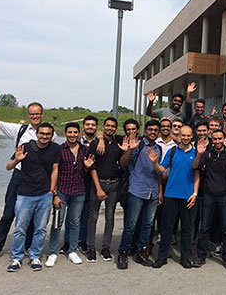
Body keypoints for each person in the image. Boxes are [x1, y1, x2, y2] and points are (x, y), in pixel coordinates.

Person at [0, 91, 57, 263]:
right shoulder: (19, 130)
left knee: (33, 217)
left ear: (42, 114)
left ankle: (27, 248)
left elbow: (56, 159)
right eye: (32, 114)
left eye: (38, 113)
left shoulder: (50, 133)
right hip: (19, 176)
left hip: (41, 179)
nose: (35, 116)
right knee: (8, 214)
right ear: (28, 115)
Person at [5, 123, 61, 272]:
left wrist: (52, 191)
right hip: (25, 195)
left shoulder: (55, 149)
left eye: (48, 134)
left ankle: (35, 255)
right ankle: (16, 258)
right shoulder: (25, 147)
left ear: (52, 135)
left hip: (44, 195)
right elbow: (8, 167)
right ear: (36, 134)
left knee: (41, 229)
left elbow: (55, 170)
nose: (44, 136)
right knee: (20, 228)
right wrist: (17, 159)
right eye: (42, 133)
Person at [149, 126, 200, 269]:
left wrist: (195, 193)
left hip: (187, 196)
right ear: (179, 135)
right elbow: (161, 169)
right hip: (171, 195)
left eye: (188, 135)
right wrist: (154, 162)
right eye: (183, 135)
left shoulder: (196, 152)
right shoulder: (172, 151)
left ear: (192, 136)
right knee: (167, 228)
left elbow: (197, 174)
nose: (185, 138)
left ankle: (185, 257)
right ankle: (162, 256)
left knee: (186, 228)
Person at [45, 122, 94, 267]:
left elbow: (86, 172)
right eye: (69, 132)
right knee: (57, 223)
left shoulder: (85, 150)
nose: (72, 135)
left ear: (79, 134)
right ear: (65, 133)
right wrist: (54, 194)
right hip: (62, 191)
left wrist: (87, 168)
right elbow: (53, 172)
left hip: (79, 192)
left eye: (75, 132)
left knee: (75, 222)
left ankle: (72, 250)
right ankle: (52, 252)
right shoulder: (59, 150)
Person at [116, 120, 163, 269]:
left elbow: (160, 172)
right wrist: (129, 150)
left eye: (156, 130)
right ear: (146, 130)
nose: (153, 132)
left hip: (153, 192)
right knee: (130, 225)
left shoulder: (159, 148)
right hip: (137, 190)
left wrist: (160, 191)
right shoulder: (137, 145)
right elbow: (123, 165)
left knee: (148, 225)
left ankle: (142, 252)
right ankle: (123, 253)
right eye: (150, 129)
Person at [193, 130, 226, 269]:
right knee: (205, 226)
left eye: (220, 139)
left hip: (225, 195)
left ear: (224, 139)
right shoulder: (207, 153)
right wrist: (199, 154)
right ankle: (201, 255)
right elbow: (195, 167)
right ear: (212, 139)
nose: (217, 141)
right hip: (208, 194)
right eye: (215, 139)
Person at [86, 117, 127, 263]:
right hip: (98, 183)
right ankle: (91, 247)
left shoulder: (120, 141)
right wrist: (98, 188)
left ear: (116, 128)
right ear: (104, 127)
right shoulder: (95, 143)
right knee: (93, 216)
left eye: (113, 126)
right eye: (107, 126)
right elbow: (92, 167)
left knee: (110, 217)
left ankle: (105, 248)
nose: (110, 128)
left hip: (114, 184)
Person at [60, 115, 99, 255]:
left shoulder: (98, 141)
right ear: (83, 127)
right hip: (70, 183)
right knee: (69, 214)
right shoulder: (75, 142)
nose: (90, 127)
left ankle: (81, 240)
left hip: (88, 182)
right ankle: (67, 241)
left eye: (93, 125)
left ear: (96, 127)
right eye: (87, 124)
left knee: (84, 214)